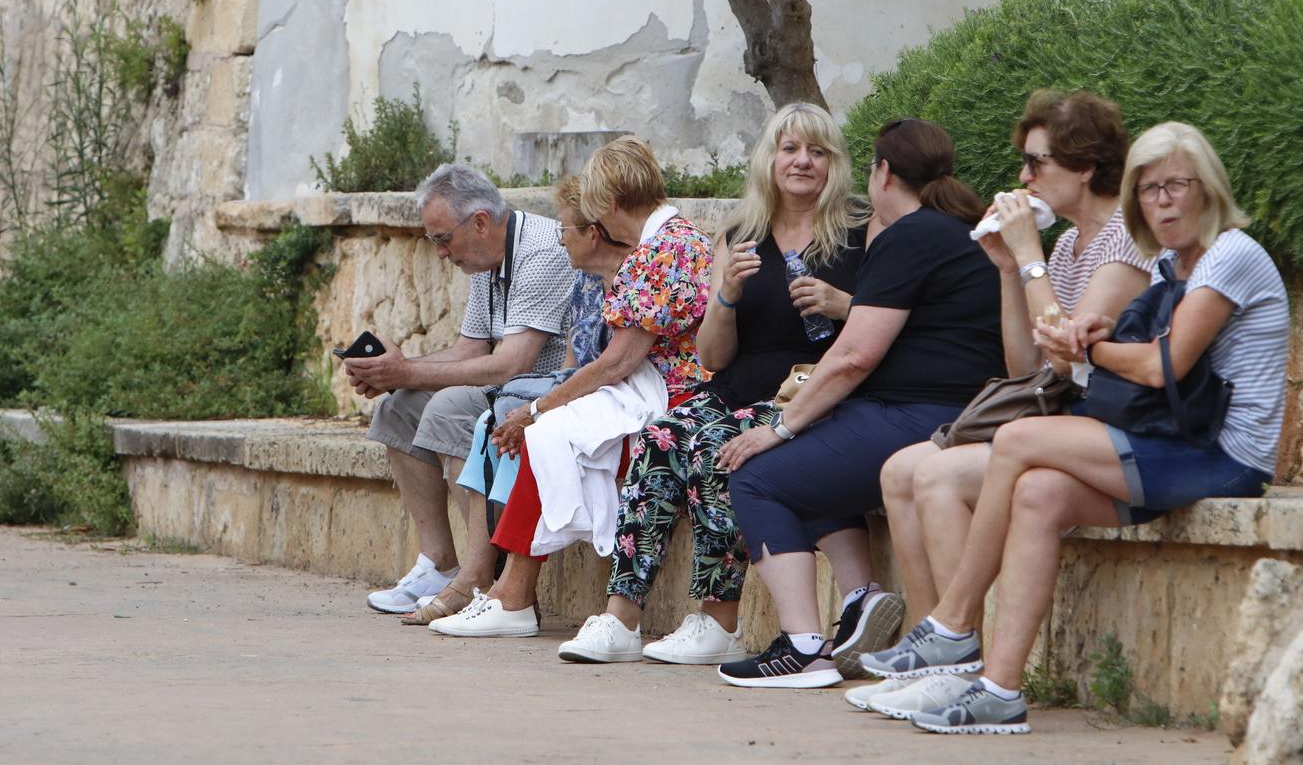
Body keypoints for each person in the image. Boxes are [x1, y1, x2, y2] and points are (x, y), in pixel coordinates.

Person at [882, 122, 1288, 736]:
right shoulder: (1175, 264)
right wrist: (1088, 342)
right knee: (1037, 492)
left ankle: (954, 625)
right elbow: (1088, 358)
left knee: (1018, 441)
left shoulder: (1231, 253)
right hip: (1175, 439)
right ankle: (999, 690)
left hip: (1221, 453)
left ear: (1208, 187)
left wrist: (1091, 350)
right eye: (1149, 191)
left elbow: (1161, 364)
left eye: (1176, 185)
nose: (1162, 201)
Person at [857, 91, 1151, 714]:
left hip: (1096, 424)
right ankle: (939, 642)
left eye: (1036, 163)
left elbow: (1070, 357)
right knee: (898, 470)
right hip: (1059, 415)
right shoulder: (1068, 247)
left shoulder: (1127, 243)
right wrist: (1004, 269)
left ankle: (963, 655)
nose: (1023, 177)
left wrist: (1026, 255)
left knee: (936, 475)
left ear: (1086, 169)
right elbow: (1026, 367)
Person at [554, 103, 869, 666]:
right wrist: (724, 296)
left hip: (812, 394)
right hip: (740, 385)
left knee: (713, 450)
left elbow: (884, 326)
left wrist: (842, 305)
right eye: (789, 149)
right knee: (662, 437)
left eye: (816, 151)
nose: (802, 161)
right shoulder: (741, 234)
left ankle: (718, 618)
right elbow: (712, 355)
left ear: (834, 163)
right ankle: (620, 617)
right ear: (769, 160)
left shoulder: (860, 232)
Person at [714, 118, 1005, 688]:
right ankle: (861, 603)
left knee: (756, 477)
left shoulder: (911, 235)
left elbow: (853, 356)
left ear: (882, 174)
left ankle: (803, 649)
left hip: (922, 418)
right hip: (931, 412)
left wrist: (778, 429)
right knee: (808, 467)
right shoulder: (944, 231)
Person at [428, 137, 711, 638]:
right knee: (546, 432)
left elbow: (617, 361)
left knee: (549, 430)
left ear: (612, 204)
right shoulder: (662, 244)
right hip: (647, 392)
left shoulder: (668, 247)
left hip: (674, 400)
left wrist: (537, 409)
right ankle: (508, 595)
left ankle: (512, 597)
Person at [350, 163, 578, 616]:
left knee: (449, 406)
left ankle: (482, 573)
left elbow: (512, 363)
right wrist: (393, 372)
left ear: (479, 222)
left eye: (442, 239)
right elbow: (469, 349)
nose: (440, 253)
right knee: (397, 408)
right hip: (505, 388)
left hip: (538, 394)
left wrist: (406, 372)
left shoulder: (542, 251)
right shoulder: (485, 257)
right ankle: (439, 563)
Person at [423, 173, 632, 625]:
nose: (560, 239)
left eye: (566, 230)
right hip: (587, 395)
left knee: (533, 428)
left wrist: (537, 408)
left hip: (623, 401)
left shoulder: (629, 279)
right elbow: (575, 366)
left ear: (592, 233)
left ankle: (510, 594)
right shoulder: (585, 283)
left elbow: (611, 368)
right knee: (491, 425)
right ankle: (485, 577)